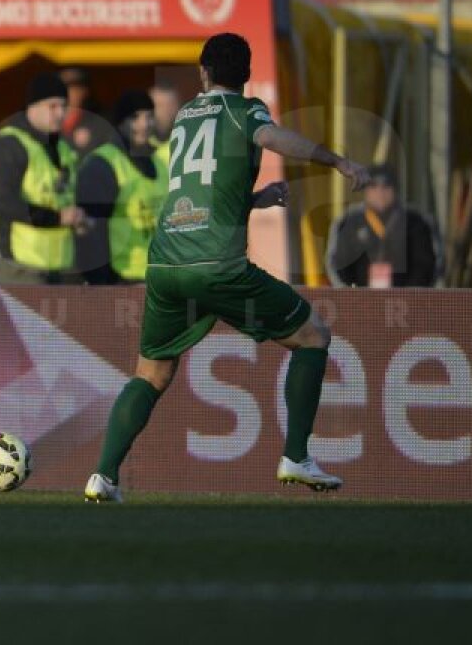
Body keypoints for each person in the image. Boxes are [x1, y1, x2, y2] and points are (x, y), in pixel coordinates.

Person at [83, 33, 371, 502]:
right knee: (313, 336)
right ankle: (296, 456)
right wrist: (336, 160)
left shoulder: (183, 117)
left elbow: (201, 190)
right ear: (247, 75)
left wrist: (254, 201)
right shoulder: (246, 111)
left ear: (204, 72)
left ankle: (104, 476)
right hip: (217, 265)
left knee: (150, 374)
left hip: (165, 263)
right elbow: (271, 137)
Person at [0, 73, 89, 285]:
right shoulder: (10, 144)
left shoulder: (63, 148)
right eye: (52, 106)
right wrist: (56, 218)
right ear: (33, 106)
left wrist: (79, 217)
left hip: (60, 263)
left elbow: (64, 196)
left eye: (63, 106)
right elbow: (2, 201)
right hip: (20, 262)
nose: (60, 113)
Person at [76, 90, 168, 285]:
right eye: (135, 118)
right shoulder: (103, 164)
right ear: (120, 122)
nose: (144, 124)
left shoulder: (160, 161)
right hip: (122, 279)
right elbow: (91, 232)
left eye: (149, 116)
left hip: (158, 278)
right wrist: (105, 283)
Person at [326, 163, 439, 288]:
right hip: (360, 297)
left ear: (395, 190)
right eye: (373, 186)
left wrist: (410, 295)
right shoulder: (349, 222)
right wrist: (351, 294)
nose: (380, 192)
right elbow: (337, 264)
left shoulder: (416, 222)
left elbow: (427, 265)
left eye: (386, 185)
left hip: (407, 297)